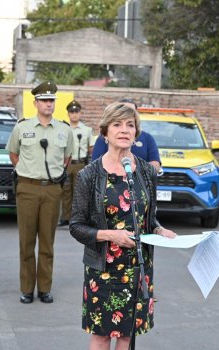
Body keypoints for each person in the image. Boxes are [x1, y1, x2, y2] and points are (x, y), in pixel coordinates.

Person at [69, 102, 176, 350]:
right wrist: (111, 235)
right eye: (117, 124)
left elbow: (148, 217)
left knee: (128, 334)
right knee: (102, 335)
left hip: (138, 267)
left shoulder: (146, 171)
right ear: (105, 132)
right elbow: (76, 226)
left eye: (130, 125)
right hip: (103, 268)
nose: (125, 130)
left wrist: (159, 230)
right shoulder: (90, 175)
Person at [6, 81, 74, 304]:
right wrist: (26, 171)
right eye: (44, 100)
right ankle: (27, 289)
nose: (48, 104)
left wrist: (54, 174)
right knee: (26, 242)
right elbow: (13, 154)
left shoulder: (64, 129)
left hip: (52, 189)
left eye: (51, 100)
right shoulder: (22, 127)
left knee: (47, 242)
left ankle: (44, 288)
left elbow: (67, 158)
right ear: (35, 103)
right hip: (27, 188)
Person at [58, 100, 95, 227]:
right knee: (66, 191)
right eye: (71, 112)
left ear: (80, 113)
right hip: (66, 163)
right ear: (68, 114)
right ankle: (66, 217)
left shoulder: (87, 130)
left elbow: (91, 148)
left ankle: (78, 218)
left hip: (80, 163)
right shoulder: (63, 129)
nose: (74, 114)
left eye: (76, 112)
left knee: (79, 192)